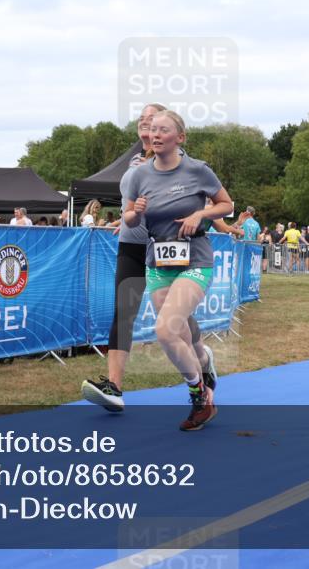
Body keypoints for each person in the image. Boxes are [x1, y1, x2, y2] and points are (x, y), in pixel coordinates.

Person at [81, 104, 211, 415]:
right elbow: (130, 207)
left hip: (167, 248)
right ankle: (114, 387)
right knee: (123, 311)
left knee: (173, 319)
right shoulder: (135, 167)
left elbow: (207, 199)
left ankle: (201, 359)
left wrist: (203, 218)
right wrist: (123, 220)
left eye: (153, 119)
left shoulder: (185, 166)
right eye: (142, 119)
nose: (146, 123)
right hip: (132, 245)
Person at [123, 109, 233, 431]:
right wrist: (135, 212)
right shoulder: (139, 175)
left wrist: (201, 214)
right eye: (152, 130)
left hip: (195, 258)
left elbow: (227, 205)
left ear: (179, 138)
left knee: (165, 330)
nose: (155, 135)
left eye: (163, 130)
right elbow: (128, 218)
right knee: (180, 329)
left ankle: (199, 396)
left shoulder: (198, 170)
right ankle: (203, 362)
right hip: (158, 260)